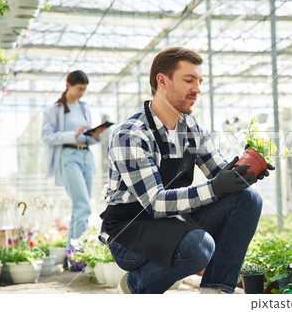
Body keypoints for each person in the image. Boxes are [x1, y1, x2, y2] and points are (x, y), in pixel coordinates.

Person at [100, 47, 272, 294]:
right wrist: (215, 187)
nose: (197, 88)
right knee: (196, 246)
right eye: (189, 80)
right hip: (130, 232)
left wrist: (245, 171)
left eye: (199, 81)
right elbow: (156, 204)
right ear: (162, 81)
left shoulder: (191, 128)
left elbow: (218, 172)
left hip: (173, 222)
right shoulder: (131, 135)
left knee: (247, 199)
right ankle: (136, 284)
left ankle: (215, 292)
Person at [41, 70, 107, 268]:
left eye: (85, 90)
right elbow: (47, 137)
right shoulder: (53, 110)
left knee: (79, 209)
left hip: (86, 157)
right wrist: (73, 134)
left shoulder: (85, 107)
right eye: (79, 89)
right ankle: (78, 256)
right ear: (68, 84)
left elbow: (87, 137)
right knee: (83, 207)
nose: (82, 93)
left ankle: (71, 258)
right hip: (69, 158)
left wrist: (95, 136)